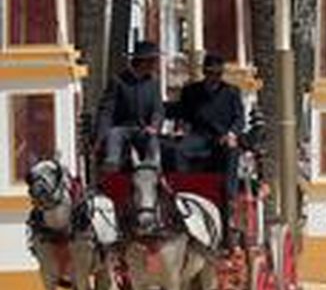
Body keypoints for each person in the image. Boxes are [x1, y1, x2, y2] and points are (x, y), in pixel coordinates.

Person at [173, 52, 247, 242]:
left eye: (217, 73)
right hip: (199, 136)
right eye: (210, 73)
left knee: (232, 151)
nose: (213, 77)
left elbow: (239, 119)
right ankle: (183, 188)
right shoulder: (191, 91)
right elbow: (183, 114)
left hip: (223, 138)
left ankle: (229, 197)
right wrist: (181, 128)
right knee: (179, 149)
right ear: (204, 73)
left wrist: (232, 134)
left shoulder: (232, 92)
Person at [95, 40, 165, 172]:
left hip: (143, 130)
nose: (155, 65)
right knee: (113, 135)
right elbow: (107, 110)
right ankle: (111, 169)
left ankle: (154, 170)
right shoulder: (118, 81)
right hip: (122, 128)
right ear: (142, 61)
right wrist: (100, 137)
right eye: (152, 61)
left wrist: (154, 126)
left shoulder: (153, 82)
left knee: (152, 141)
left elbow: (158, 109)